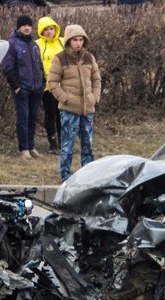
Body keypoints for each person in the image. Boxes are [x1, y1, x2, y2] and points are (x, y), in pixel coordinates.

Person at [47, 24, 101, 182]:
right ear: (68, 41)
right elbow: (52, 83)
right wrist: (65, 98)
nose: (78, 43)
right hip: (69, 109)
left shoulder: (89, 58)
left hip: (88, 108)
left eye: (81, 40)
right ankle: (65, 174)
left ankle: (88, 173)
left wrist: (94, 97)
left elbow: (96, 79)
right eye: (75, 40)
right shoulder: (60, 58)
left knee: (87, 144)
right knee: (68, 144)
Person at [2, 14, 45, 160]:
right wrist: (16, 86)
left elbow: (40, 65)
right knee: (23, 118)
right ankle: (24, 148)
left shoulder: (34, 45)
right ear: (19, 27)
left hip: (36, 87)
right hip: (22, 88)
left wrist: (42, 83)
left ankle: (31, 146)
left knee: (32, 118)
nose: (27, 28)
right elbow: (7, 67)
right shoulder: (12, 44)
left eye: (29, 25)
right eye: (24, 25)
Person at [35, 16, 64, 154]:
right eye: (46, 29)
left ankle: (63, 142)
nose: (49, 31)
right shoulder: (37, 44)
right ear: (41, 30)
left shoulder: (62, 42)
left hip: (63, 85)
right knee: (51, 113)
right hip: (47, 86)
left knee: (62, 114)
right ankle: (52, 142)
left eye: (51, 28)